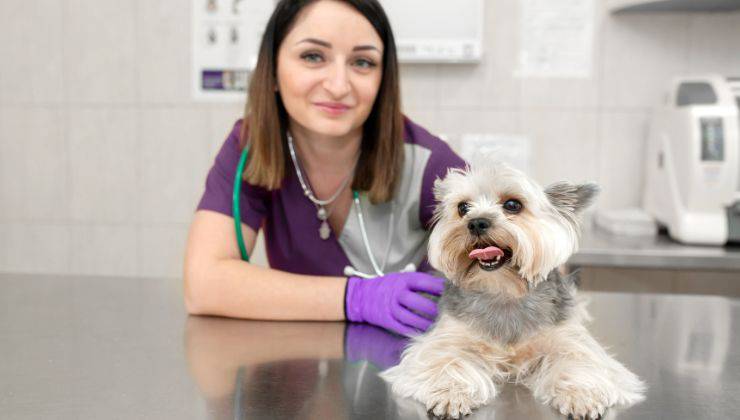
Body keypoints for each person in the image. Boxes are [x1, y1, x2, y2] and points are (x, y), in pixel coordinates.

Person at [184, 0, 465, 337]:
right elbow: (203, 285)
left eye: (362, 62)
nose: (338, 85)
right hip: (298, 372)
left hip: (410, 372)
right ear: (271, 69)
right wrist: (356, 299)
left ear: (382, 80)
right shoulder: (251, 148)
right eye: (313, 56)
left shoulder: (430, 162)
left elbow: (516, 263)